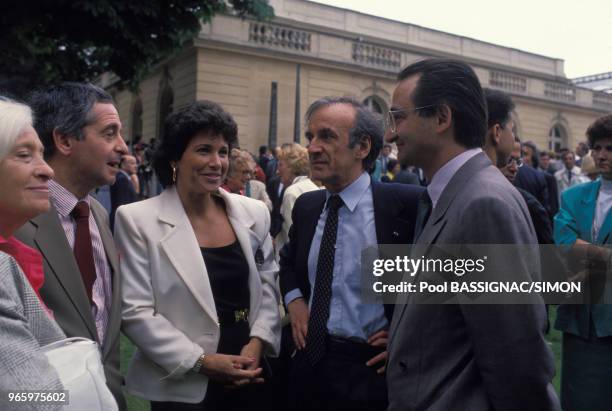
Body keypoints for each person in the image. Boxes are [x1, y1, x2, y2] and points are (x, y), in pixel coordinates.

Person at [385, 58, 559, 411]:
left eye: (398, 117)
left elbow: (517, 360)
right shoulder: (456, 194)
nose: (389, 134)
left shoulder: (483, 204)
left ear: (442, 118)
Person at [114, 100, 281, 410]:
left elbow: (268, 284)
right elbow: (135, 310)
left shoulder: (254, 213)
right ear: (176, 157)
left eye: (223, 152)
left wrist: (258, 341)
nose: (217, 162)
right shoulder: (136, 219)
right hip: (183, 385)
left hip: (252, 369)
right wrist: (202, 361)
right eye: (204, 150)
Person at [280, 96, 423, 411]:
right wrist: (295, 300)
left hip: (371, 374)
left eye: (327, 136)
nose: (313, 147)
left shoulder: (407, 206)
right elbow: (289, 261)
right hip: (307, 367)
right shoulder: (308, 206)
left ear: (362, 147)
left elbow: (454, 277)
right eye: (311, 137)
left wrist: (412, 338)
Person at [15, 83, 127, 410]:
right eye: (109, 133)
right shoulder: (14, 222)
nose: (123, 147)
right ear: (64, 140)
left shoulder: (99, 214)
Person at [0, 98, 66, 406]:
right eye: (25, 155)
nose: (47, 171)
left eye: (41, 154)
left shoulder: (14, 254)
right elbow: (35, 399)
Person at [554, 114, 612, 411]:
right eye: (597, 148)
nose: (601, 155)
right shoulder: (573, 195)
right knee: (576, 400)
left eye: (610, 148)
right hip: (578, 318)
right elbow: (562, 241)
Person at [275, 143, 320, 254]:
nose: (277, 171)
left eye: (280, 165)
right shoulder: (314, 187)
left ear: (292, 166)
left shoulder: (291, 192)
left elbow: (292, 239)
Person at [109, 154, 138, 229]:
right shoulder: (121, 179)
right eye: (132, 163)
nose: (135, 166)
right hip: (122, 223)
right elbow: (122, 204)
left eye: (136, 163)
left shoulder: (124, 178)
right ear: (123, 165)